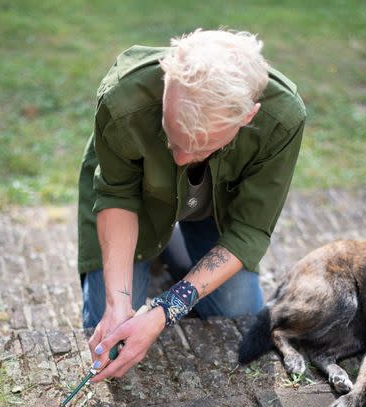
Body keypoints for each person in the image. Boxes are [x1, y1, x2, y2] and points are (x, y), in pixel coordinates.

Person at [77, 29, 306, 383]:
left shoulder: (283, 119)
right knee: (108, 333)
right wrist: (117, 302)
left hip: (214, 211)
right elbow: (118, 194)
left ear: (248, 117)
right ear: (167, 81)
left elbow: (248, 230)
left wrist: (164, 310)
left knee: (239, 314)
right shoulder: (122, 99)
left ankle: (168, 245)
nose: (182, 158)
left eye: (200, 148)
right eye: (171, 138)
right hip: (137, 207)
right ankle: (154, 239)